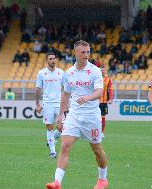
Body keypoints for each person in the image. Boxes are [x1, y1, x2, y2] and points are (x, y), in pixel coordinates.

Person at [46, 40, 108, 189]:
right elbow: (65, 95)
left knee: (97, 149)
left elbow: (100, 92)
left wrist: (87, 98)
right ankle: (57, 182)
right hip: (74, 115)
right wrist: (60, 116)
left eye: (88, 52)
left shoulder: (95, 71)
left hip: (91, 116)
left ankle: (102, 179)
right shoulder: (69, 73)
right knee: (65, 145)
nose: (86, 55)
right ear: (75, 53)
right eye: (83, 52)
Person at [36, 51, 64, 159]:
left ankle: (52, 139)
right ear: (47, 60)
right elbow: (38, 89)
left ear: (56, 60)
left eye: (54, 58)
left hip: (59, 103)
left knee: (63, 127)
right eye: (50, 59)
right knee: (49, 127)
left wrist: (66, 103)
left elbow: (66, 88)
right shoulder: (41, 73)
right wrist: (37, 104)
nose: (52, 60)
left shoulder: (61, 73)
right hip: (47, 104)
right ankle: (53, 151)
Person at [99, 64, 113, 134]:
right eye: (101, 70)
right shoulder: (95, 79)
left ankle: (101, 132)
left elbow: (110, 90)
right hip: (95, 101)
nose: (102, 71)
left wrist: (110, 99)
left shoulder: (108, 80)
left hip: (103, 102)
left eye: (103, 70)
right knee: (93, 117)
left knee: (103, 117)